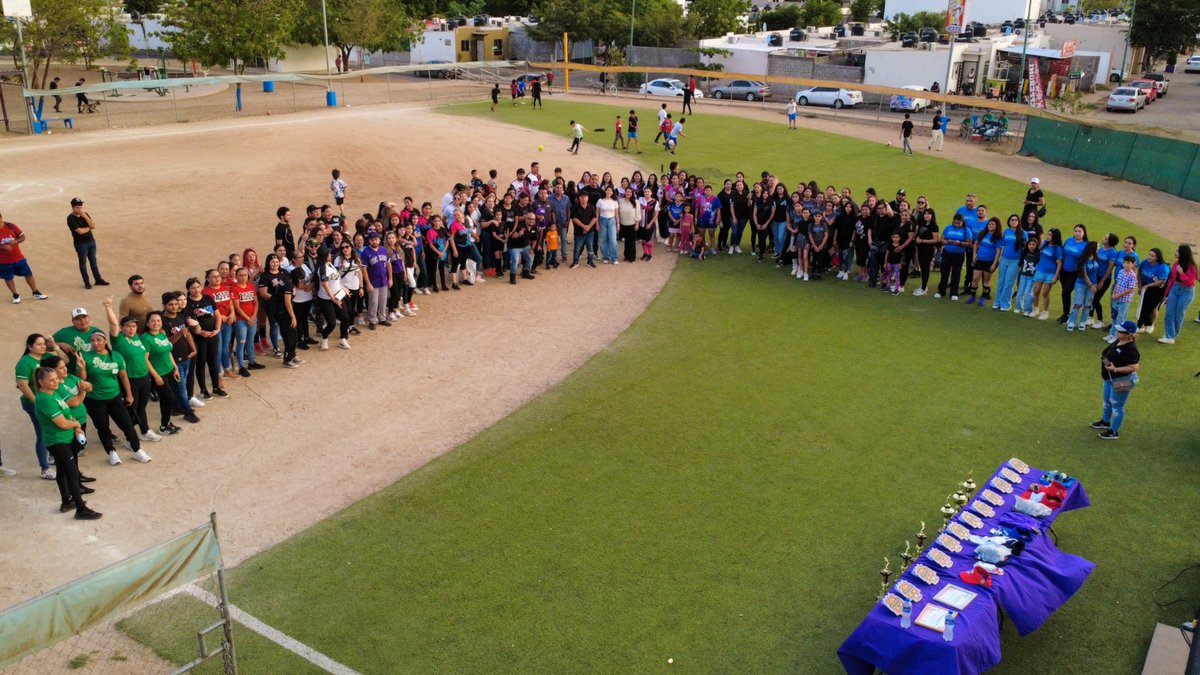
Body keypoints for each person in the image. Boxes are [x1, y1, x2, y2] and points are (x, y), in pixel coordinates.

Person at [33, 367, 101, 519]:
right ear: (40, 382)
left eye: (56, 378)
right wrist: (76, 425)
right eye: (51, 380)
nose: (55, 382)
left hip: (63, 439)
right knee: (71, 474)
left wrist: (75, 426)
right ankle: (81, 509)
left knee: (63, 471)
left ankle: (66, 501)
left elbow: (67, 414)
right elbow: (62, 423)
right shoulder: (45, 399)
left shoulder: (52, 392)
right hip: (58, 441)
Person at [82, 331, 150, 466]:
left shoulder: (116, 356)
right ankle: (111, 452)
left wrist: (129, 394)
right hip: (95, 399)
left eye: (99, 340)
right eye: (93, 341)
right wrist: (80, 366)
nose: (95, 343)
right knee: (103, 427)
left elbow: (123, 376)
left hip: (114, 396)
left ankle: (137, 450)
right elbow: (82, 379)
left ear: (105, 341)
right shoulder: (85, 357)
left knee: (127, 424)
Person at [102, 296, 162, 443]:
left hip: (144, 378)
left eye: (134, 326)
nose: (131, 329)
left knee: (141, 406)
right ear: (122, 328)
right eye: (128, 326)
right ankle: (131, 438)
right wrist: (109, 307)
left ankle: (144, 431)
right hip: (130, 380)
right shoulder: (119, 340)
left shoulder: (137, 339)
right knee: (131, 409)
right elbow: (113, 323)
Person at [1092, 320, 1140, 440]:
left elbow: (1134, 367)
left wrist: (1115, 369)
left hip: (1123, 380)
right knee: (1107, 401)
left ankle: (1114, 431)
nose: (1118, 332)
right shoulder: (1119, 340)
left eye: (1121, 331)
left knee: (1117, 406)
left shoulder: (1131, 349)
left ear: (1128, 334)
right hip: (1109, 379)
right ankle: (1105, 421)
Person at [16, 334, 55, 479]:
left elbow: (64, 361)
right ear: (30, 346)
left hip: (46, 401)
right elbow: (22, 385)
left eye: (44, 344)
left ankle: (50, 457)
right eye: (39, 344)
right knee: (42, 434)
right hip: (34, 404)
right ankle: (45, 469)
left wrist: (56, 346)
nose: (43, 347)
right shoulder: (25, 363)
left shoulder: (44, 358)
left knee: (49, 430)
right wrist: (37, 402)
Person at [184, 276, 225, 402]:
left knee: (213, 362)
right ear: (188, 290)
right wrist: (201, 332)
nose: (196, 290)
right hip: (199, 337)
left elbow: (217, 315)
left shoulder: (208, 298)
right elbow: (189, 322)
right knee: (201, 363)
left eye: (198, 287)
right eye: (193, 288)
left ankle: (216, 387)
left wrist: (217, 329)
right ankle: (203, 389)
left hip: (213, 335)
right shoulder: (187, 303)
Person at [258, 253, 300, 364]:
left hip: (286, 305)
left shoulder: (284, 273)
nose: (275, 264)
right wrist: (278, 298)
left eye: (277, 262)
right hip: (273, 306)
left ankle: (292, 353)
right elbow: (263, 293)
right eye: (272, 262)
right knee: (275, 326)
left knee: (289, 331)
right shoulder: (265, 276)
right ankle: (276, 348)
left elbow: (290, 288)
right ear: (268, 263)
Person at [0, 213, 49, 304]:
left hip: (18, 258)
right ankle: (15, 295)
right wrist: (1, 247)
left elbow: (22, 236)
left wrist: (16, 242)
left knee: (28, 274)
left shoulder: (11, 226)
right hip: (3, 262)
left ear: (1, 218)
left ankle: (35, 292)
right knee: (8, 278)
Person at [66, 198, 108, 289]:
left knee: (93, 261)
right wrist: (88, 228)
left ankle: (98, 279)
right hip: (81, 244)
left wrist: (85, 217)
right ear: (73, 208)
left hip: (91, 241)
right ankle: (87, 282)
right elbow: (80, 231)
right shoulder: (70, 218)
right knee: (83, 263)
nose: (80, 210)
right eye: (77, 207)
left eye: (81, 207)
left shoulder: (85, 214)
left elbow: (93, 225)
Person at [1158, 244, 1196, 345]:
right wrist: (1166, 294)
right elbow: (1171, 279)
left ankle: (1172, 335)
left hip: (1186, 292)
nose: (1175, 252)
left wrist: (1182, 273)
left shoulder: (1191, 267)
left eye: (1177, 251)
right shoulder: (1176, 263)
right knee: (1169, 313)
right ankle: (1169, 336)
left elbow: (1190, 282)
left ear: (1182, 253)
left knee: (1179, 315)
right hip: (1175, 289)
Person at [936, 213, 970, 300]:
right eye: (955, 223)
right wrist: (948, 242)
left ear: (962, 222)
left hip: (959, 255)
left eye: (958, 223)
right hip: (947, 253)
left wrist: (960, 243)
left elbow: (969, 243)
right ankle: (941, 291)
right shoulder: (948, 228)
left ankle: (954, 292)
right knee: (944, 273)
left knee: (956, 273)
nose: (956, 225)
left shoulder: (966, 230)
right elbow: (942, 239)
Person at [1067, 242, 1100, 331]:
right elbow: (1084, 274)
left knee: (1088, 304)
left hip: (1092, 285)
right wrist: (1091, 285)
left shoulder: (1096, 258)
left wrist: (1096, 284)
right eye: (1097, 247)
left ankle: (1083, 321)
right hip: (1081, 284)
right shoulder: (1084, 259)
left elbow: (1096, 272)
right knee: (1077, 303)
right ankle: (1071, 321)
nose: (1099, 248)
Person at [1135, 249, 1169, 334]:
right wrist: (1140, 286)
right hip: (1145, 286)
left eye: (1152, 256)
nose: (1149, 257)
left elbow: (1161, 281)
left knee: (1152, 308)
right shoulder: (1144, 262)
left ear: (1157, 258)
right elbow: (1139, 273)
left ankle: (1148, 325)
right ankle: (1143, 325)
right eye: (1149, 254)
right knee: (1144, 306)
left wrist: (1147, 286)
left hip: (1158, 289)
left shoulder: (1162, 267)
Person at [1106, 255, 1138, 342]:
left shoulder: (1132, 276)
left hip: (1124, 301)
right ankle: (1112, 333)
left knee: (1120, 319)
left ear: (1133, 264)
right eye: (1124, 262)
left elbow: (1130, 289)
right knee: (1114, 317)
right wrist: (1113, 294)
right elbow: (1117, 283)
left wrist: (1117, 295)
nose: (1126, 265)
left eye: (1128, 263)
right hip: (1116, 299)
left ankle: (1117, 337)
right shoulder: (1121, 271)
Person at [912, 209, 939, 296]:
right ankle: (923, 286)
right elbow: (918, 235)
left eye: (928, 214)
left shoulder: (934, 226)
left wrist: (922, 241)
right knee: (923, 268)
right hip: (920, 249)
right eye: (925, 214)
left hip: (928, 250)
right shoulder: (922, 224)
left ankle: (923, 289)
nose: (926, 215)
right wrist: (916, 239)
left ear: (932, 216)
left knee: (925, 269)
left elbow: (935, 240)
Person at [569, 192, 597, 268]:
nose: (584, 198)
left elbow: (594, 218)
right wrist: (584, 227)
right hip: (579, 232)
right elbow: (574, 219)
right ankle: (575, 262)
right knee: (577, 248)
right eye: (582, 197)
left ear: (588, 198)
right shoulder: (575, 207)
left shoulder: (591, 206)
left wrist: (588, 227)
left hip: (590, 232)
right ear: (579, 198)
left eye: (585, 197)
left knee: (590, 248)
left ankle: (590, 262)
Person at [1016, 236, 1041, 316]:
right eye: (1030, 244)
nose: (1031, 246)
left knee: (1028, 293)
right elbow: (1021, 262)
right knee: (1020, 292)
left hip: (1032, 277)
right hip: (1023, 275)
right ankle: (1019, 307)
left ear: (1037, 245)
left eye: (1033, 244)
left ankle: (1028, 310)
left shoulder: (1038, 254)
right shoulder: (1025, 252)